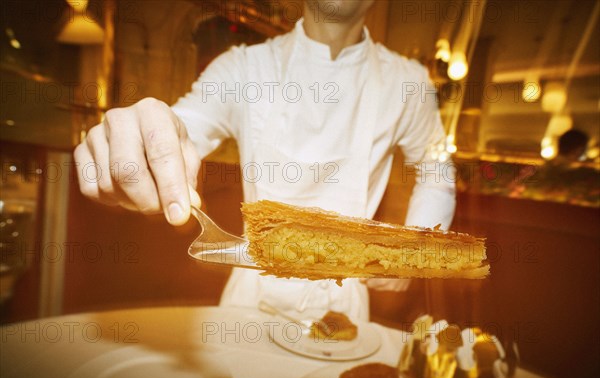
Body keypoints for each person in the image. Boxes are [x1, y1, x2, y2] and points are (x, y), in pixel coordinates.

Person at [74, 0, 456, 321]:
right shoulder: (243, 68)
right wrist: (144, 140)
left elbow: (437, 169)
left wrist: (415, 247)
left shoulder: (409, 84)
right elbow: (183, 129)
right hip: (248, 300)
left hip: (344, 308)